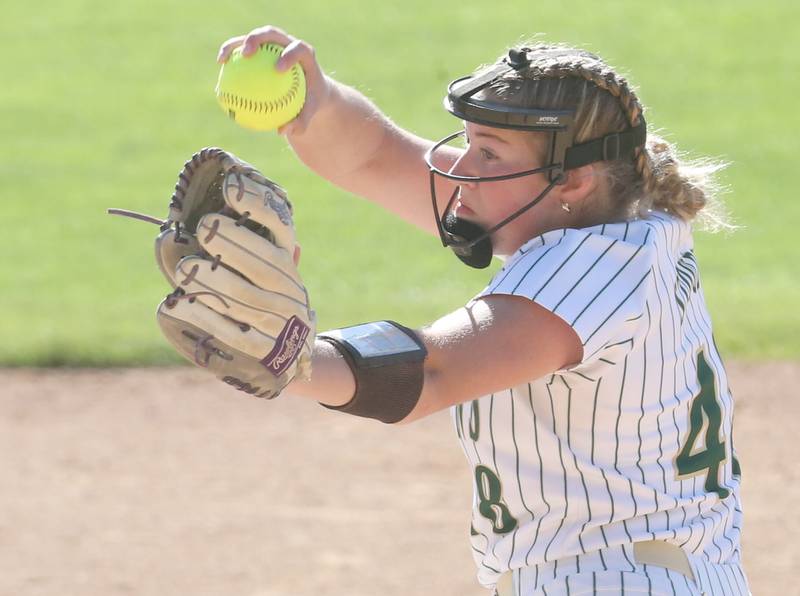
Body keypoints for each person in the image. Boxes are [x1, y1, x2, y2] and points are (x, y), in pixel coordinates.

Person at [216, 25, 750, 596]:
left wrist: (283, 352)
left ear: (571, 179)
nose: (462, 168)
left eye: (489, 153)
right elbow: (376, 157)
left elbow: (431, 372)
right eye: (469, 142)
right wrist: (317, 102)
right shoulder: (626, 224)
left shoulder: (593, 271)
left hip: (616, 580)